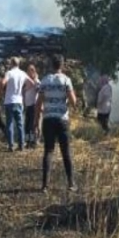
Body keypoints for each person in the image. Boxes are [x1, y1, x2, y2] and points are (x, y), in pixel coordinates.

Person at [36, 55, 78, 192]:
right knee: (66, 152)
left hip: (48, 119)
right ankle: (71, 184)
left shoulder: (45, 80)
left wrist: (36, 121)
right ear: (62, 65)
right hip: (62, 119)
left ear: (51, 65)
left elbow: (39, 102)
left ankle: (45, 185)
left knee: (48, 151)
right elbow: (73, 101)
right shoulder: (66, 80)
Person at [0, 57, 33, 151]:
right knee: (20, 124)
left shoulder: (9, 73)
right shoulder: (23, 73)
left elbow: (3, 82)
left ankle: (11, 145)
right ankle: (21, 145)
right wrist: (23, 90)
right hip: (19, 101)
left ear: (11, 63)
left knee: (9, 123)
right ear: (18, 64)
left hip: (9, 101)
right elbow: (32, 83)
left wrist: (2, 91)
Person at [23, 63, 41, 149]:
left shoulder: (37, 81)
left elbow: (38, 90)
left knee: (33, 126)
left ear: (33, 72)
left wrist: (35, 80)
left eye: (30, 71)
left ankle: (34, 142)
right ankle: (28, 142)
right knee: (27, 126)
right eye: (27, 70)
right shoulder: (27, 82)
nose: (28, 72)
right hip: (28, 106)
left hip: (34, 106)